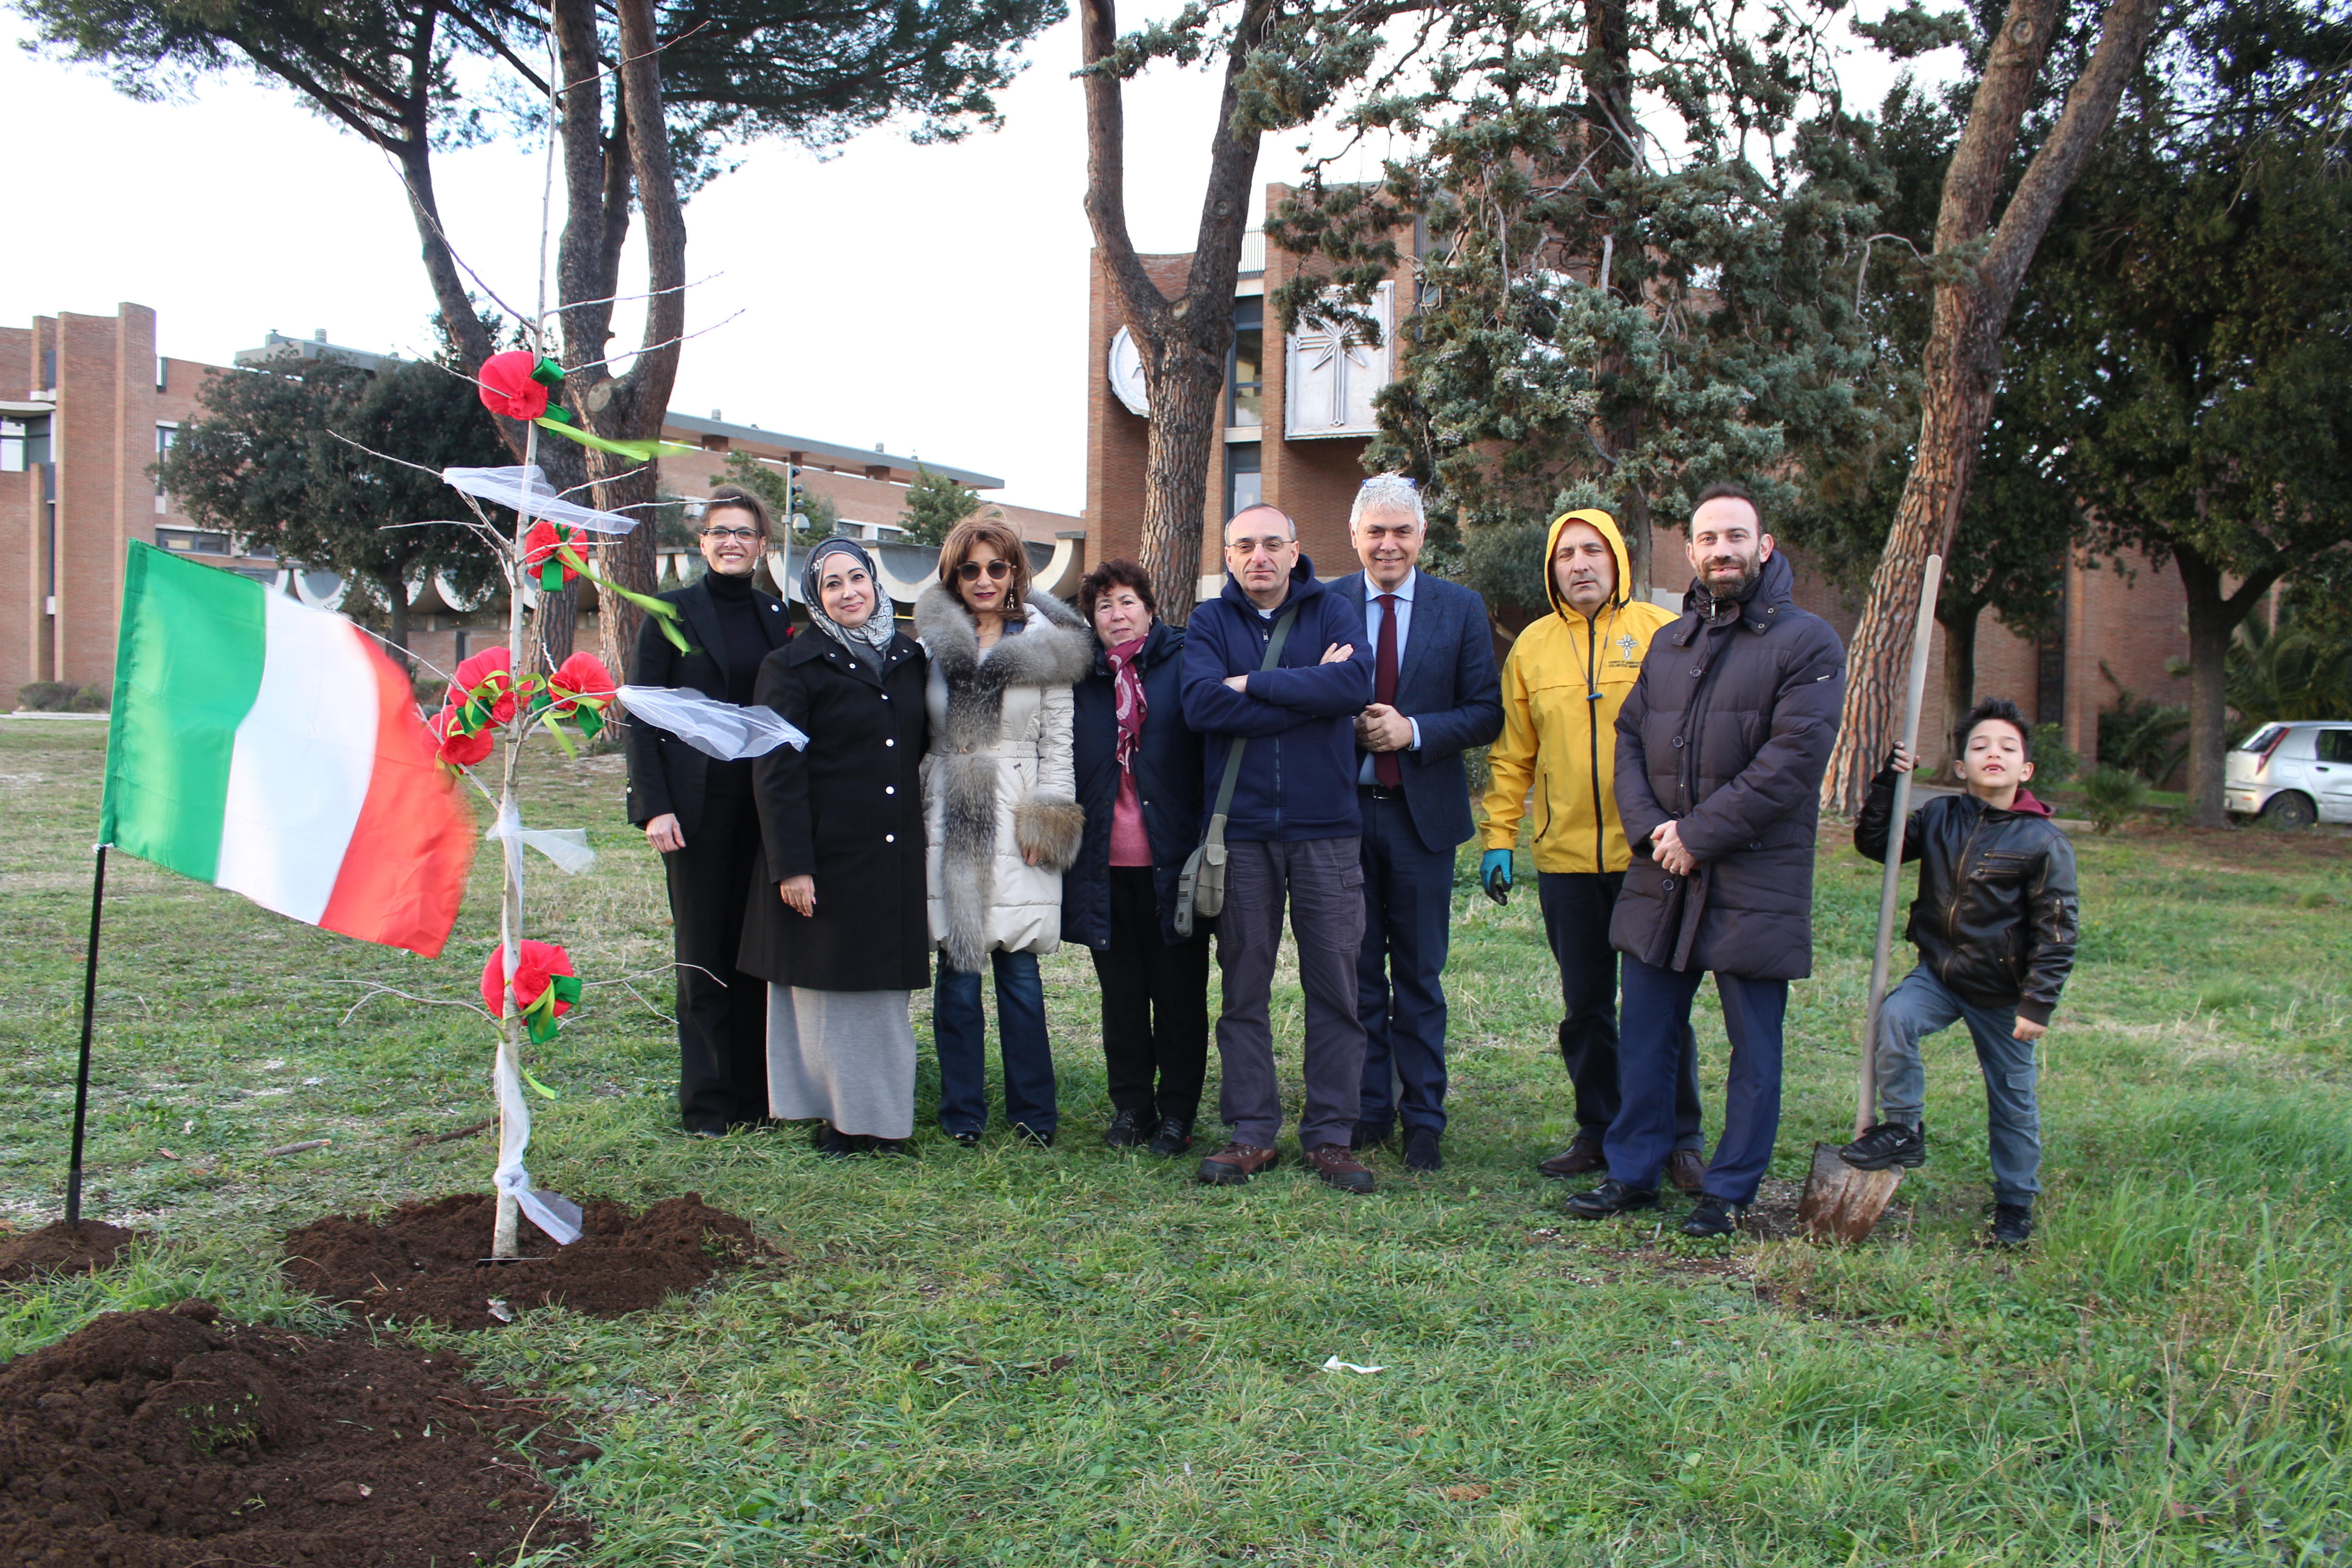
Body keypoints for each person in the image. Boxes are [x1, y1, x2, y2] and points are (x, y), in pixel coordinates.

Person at [1568, 482, 1846, 1238]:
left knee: (1752, 1048)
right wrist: (1655, 829)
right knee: (1647, 1033)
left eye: (1735, 536)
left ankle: (1727, 1190)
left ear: (1762, 547)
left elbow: (1791, 762)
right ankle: (1631, 1174)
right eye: (1706, 539)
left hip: (1753, 873)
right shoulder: (1670, 642)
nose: (1720, 550)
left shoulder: (1808, 643)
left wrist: (1697, 834)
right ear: (1688, 552)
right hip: (1663, 869)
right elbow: (1627, 739)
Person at [1480, 508, 1702, 1190]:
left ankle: (1680, 1136)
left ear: (1618, 561)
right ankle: (1598, 1128)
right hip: (1567, 860)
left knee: (1658, 1007)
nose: (1580, 565)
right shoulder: (1533, 648)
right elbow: (1514, 755)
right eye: (1566, 555)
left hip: (1652, 856)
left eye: (1592, 552)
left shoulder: (1664, 635)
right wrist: (1499, 838)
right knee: (1586, 1008)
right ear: (1552, 570)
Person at [1182, 505, 1379, 1192]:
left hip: (1327, 830)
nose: (1258, 556)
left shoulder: (1334, 611)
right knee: (1244, 990)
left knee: (1336, 988)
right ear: (1228, 555)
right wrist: (1309, 690)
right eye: (1244, 545)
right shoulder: (1208, 622)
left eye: (1272, 544)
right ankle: (1251, 1133)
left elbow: (1354, 685)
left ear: (1297, 550)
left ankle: (1330, 1137)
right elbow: (1201, 706)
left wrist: (1253, 684)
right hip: (1242, 833)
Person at [1844, 697, 2079, 1248]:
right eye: (1979, 747)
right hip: (1941, 975)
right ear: (1960, 767)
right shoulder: (1941, 817)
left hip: (2002, 992)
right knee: (1894, 1019)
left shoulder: (2042, 841)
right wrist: (1888, 785)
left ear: (2026, 770)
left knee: (2012, 1096)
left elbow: (2058, 930)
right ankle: (1903, 1128)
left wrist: (2037, 1004)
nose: (1991, 754)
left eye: (2006, 748)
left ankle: (2016, 1203)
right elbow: (1878, 845)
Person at [1328, 475, 1502, 1172]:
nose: (1389, 543)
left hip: (1422, 819)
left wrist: (1414, 730)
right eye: (1376, 531)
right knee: (1359, 973)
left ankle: (1424, 1117)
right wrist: (1350, 725)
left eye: (1402, 531)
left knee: (1421, 977)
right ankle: (1371, 1108)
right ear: (1355, 537)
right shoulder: (1326, 604)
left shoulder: (1459, 609)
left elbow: (1485, 710)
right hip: (1339, 818)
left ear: (1422, 536)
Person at [736, 537, 930, 1155]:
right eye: (832, 585)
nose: (849, 593)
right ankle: (842, 1120)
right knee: (827, 995)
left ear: (876, 583)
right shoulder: (791, 665)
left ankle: (883, 1119)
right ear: (815, 599)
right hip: (825, 855)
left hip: (893, 854)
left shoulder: (910, 657)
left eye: (857, 579)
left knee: (881, 999)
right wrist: (793, 866)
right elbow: (775, 772)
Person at [915, 516, 1094, 1147]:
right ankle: (962, 1116)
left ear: (1016, 571)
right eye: (971, 569)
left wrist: (1047, 818)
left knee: (1019, 975)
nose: (985, 579)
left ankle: (1034, 1117)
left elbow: (1059, 742)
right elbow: (915, 735)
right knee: (958, 978)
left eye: (997, 567)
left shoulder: (1049, 644)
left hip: (1019, 811)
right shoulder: (930, 642)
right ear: (953, 575)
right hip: (948, 810)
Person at [623, 483, 793, 1136]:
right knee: (701, 957)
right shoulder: (669, 612)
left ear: (760, 545)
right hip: (694, 812)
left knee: (755, 954)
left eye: (744, 533)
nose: (732, 542)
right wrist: (653, 808)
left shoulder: (774, 615)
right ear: (702, 543)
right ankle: (708, 1107)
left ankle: (758, 1099)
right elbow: (642, 715)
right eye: (720, 531)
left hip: (763, 813)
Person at [1062, 559, 1212, 1156]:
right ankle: (1131, 1107)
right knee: (1121, 998)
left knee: (1179, 997)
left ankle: (1177, 1113)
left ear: (1150, 609)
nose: (1116, 615)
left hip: (1174, 866)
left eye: (1127, 602)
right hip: (1105, 867)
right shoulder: (1083, 680)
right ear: (1091, 621)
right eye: (1103, 607)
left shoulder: (1185, 664)